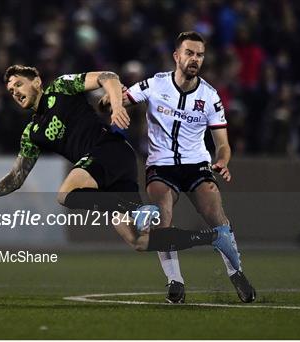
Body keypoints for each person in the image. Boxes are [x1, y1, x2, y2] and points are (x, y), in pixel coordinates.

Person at [0, 65, 241, 270]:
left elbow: (109, 78)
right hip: (102, 171)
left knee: (65, 193)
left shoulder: (60, 87)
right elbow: (17, 177)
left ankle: (137, 210)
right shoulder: (31, 132)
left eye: (18, 84)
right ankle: (213, 237)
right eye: (10, 90)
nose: (14, 92)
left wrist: (117, 106)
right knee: (140, 242)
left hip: (109, 152)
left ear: (36, 81)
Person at [104, 32, 256, 303]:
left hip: (197, 164)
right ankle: (175, 282)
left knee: (216, 216)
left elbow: (223, 144)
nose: (194, 59)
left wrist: (222, 161)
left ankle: (237, 273)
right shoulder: (154, 84)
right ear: (177, 56)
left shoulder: (210, 96)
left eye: (199, 54)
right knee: (162, 217)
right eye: (189, 53)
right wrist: (111, 102)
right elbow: (121, 99)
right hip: (161, 165)